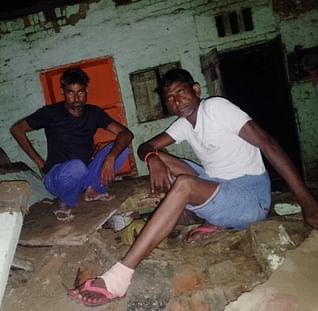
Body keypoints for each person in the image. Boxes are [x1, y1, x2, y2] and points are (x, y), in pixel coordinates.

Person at [68, 68, 318, 307]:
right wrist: (153, 159)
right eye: (170, 98)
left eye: (181, 92)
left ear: (196, 89)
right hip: (220, 187)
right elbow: (146, 146)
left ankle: (119, 278)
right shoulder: (185, 124)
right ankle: (214, 218)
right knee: (162, 159)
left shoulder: (216, 108)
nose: (176, 101)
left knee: (185, 184)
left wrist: (306, 201)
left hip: (249, 199)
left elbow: (269, 144)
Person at [10, 67, 133, 221]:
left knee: (121, 148)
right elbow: (17, 129)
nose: (76, 98)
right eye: (70, 92)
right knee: (77, 167)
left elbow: (126, 134)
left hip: (84, 174)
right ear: (63, 92)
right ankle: (63, 201)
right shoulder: (50, 113)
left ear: (86, 91)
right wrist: (39, 161)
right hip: (57, 178)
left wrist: (111, 158)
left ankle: (93, 189)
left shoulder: (94, 113)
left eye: (80, 92)